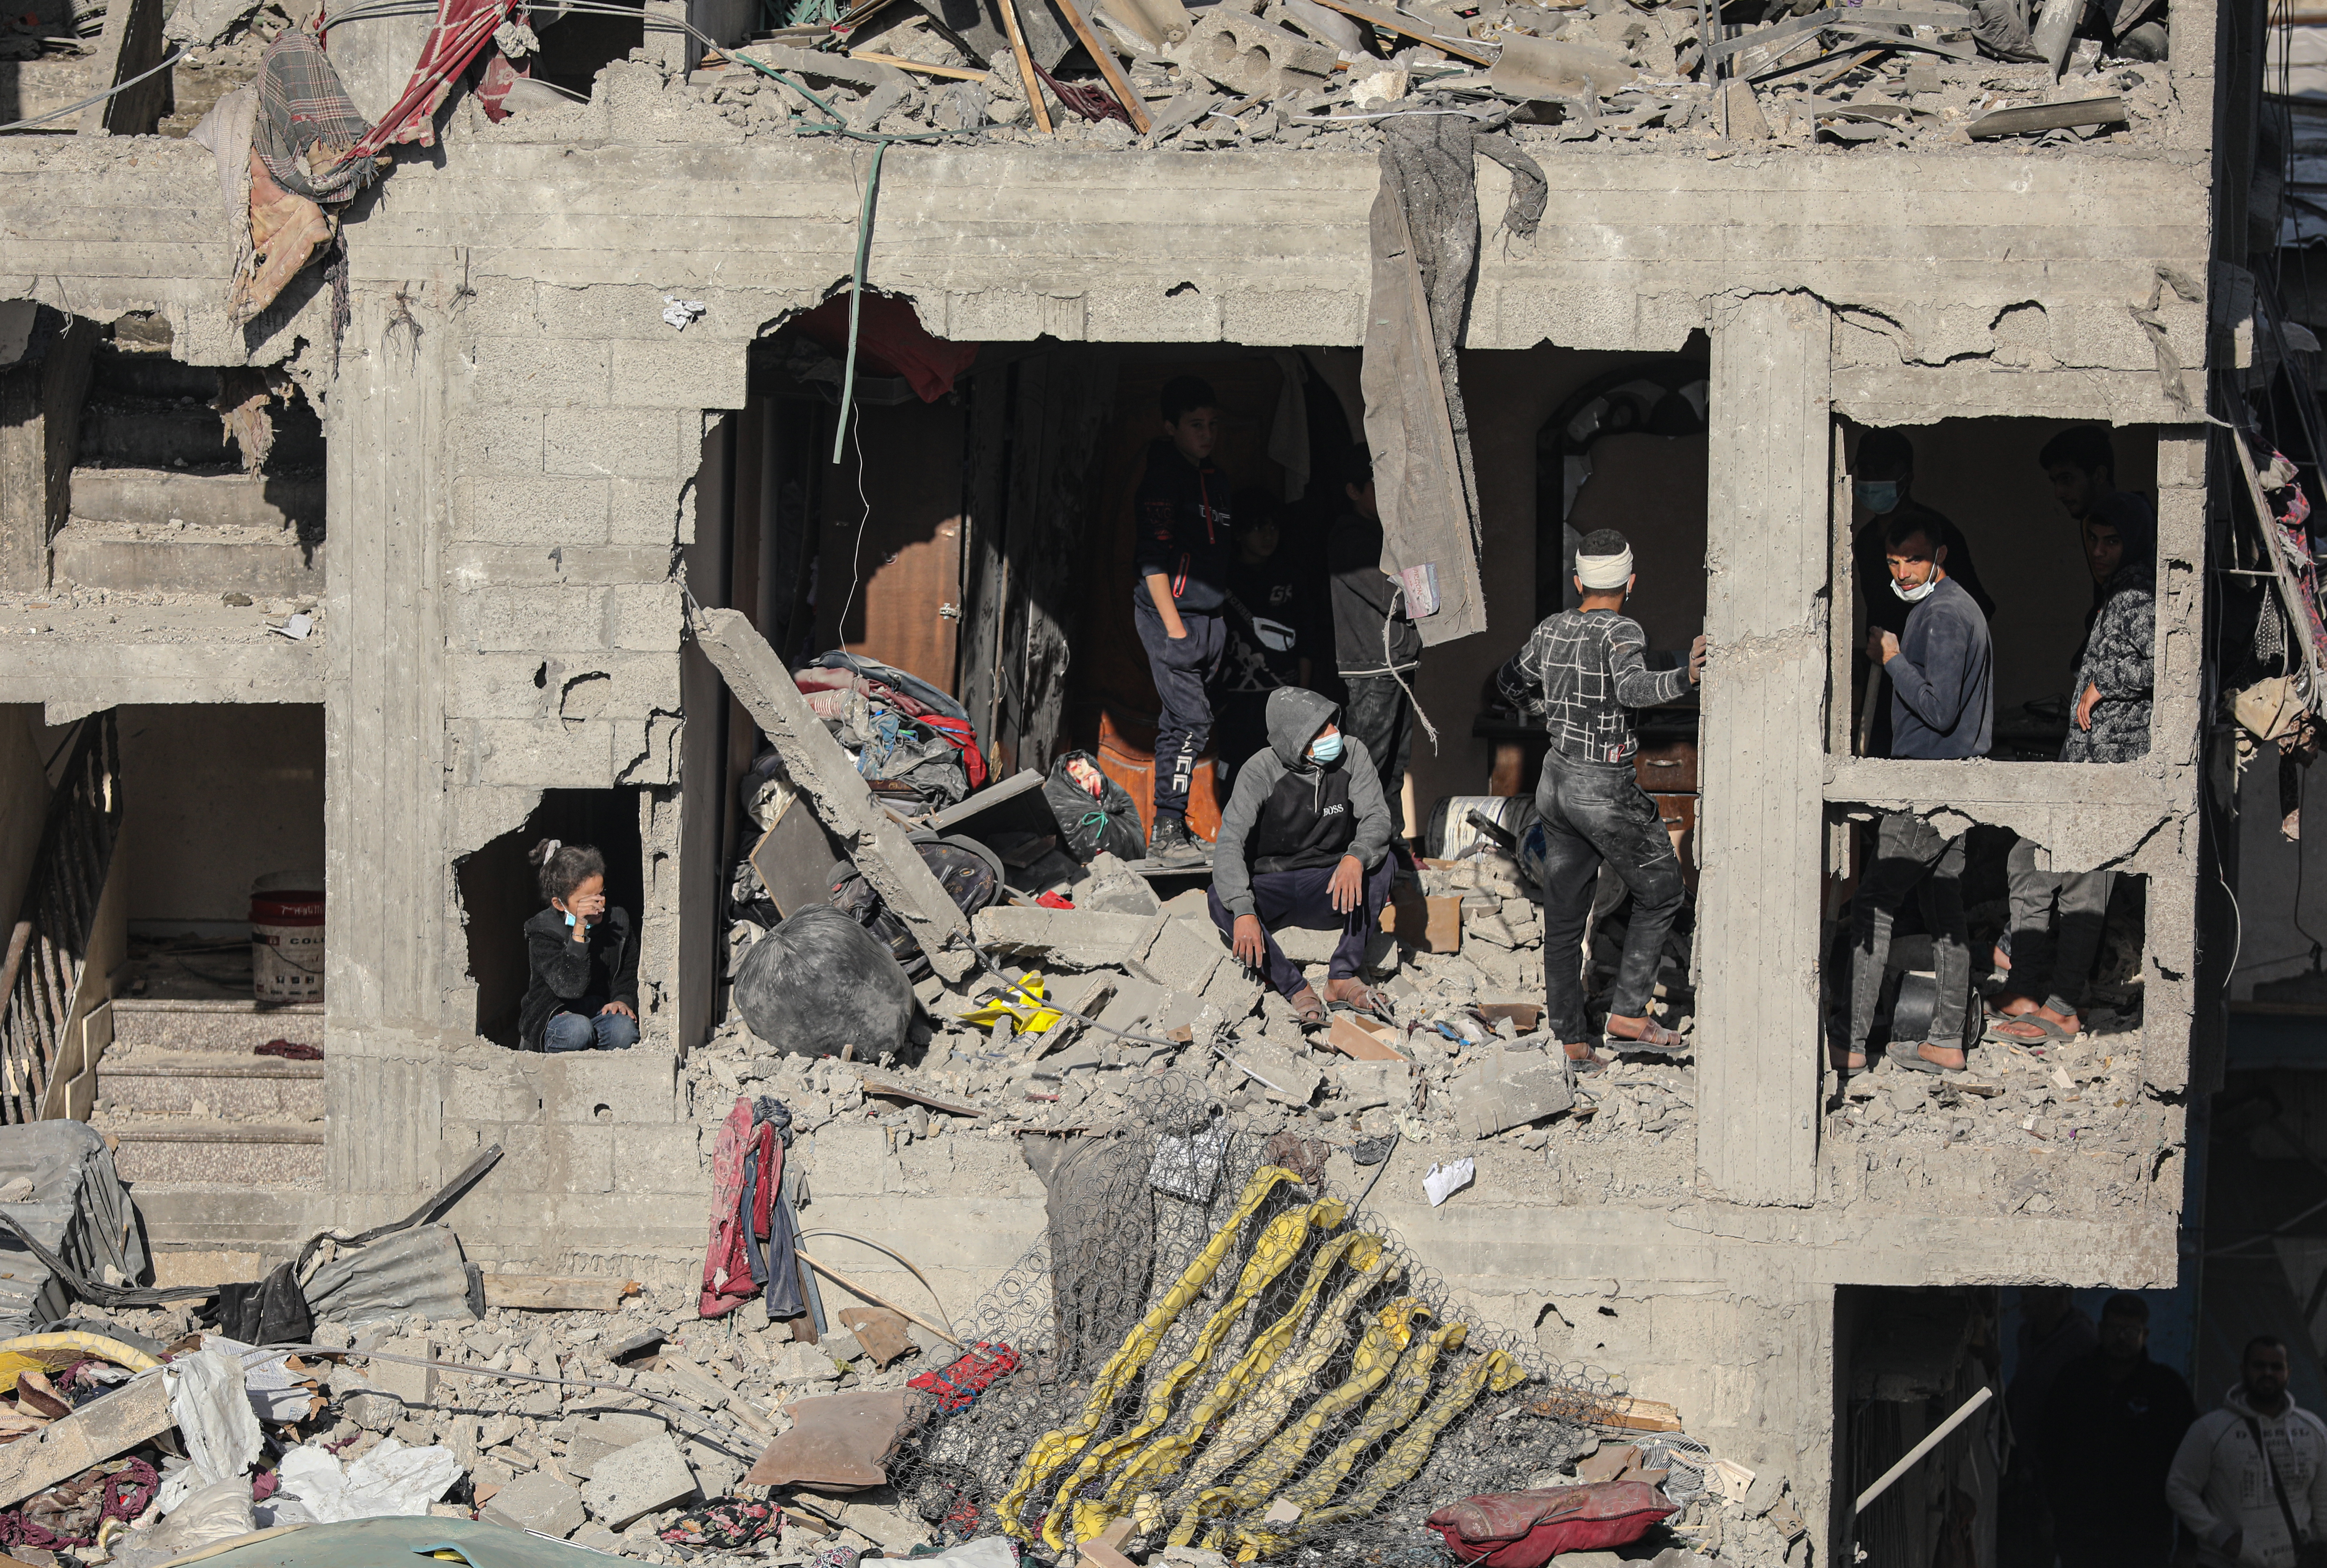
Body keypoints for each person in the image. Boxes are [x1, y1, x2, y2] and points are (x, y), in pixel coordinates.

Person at [1495, 528, 1706, 1072]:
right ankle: (1628, 1016)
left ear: (1578, 581)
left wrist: (1549, 711)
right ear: (1630, 583)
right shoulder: (1623, 631)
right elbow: (1634, 690)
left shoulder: (1551, 629)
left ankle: (1571, 1039)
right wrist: (1687, 675)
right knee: (1661, 893)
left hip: (1556, 784)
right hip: (1603, 787)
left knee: (1565, 916)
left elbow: (1509, 683)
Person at [1992, 492, 2157, 1047]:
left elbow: (2167, 663)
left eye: (2112, 541)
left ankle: (2062, 1006)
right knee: (2027, 859)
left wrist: (2107, 682)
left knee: (2086, 884)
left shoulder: (2141, 593)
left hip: (2111, 768)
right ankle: (2026, 988)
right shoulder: (2114, 594)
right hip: (2084, 763)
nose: (2100, 551)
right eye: (2093, 540)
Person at [1842, 512, 1994, 1078]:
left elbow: (1939, 708)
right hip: (1952, 784)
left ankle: (1853, 1044)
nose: (1904, 573)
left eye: (1915, 560)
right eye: (1894, 563)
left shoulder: (1946, 616)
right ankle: (1947, 1039)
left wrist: (1892, 658)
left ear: (1941, 557)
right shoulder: (1939, 609)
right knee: (1942, 908)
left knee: (1873, 905)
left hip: (1930, 786)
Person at [1208, 687, 1398, 1029]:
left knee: (1384, 863)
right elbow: (1230, 843)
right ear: (1294, 742)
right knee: (1220, 900)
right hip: (1273, 884)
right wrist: (1244, 908)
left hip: (1330, 884)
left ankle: (1342, 975)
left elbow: (1378, 818)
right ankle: (1295, 987)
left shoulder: (1353, 754)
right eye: (1319, 731)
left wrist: (1355, 857)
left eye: (1330, 723)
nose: (1332, 734)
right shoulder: (1259, 771)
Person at [1133, 375, 1235, 868]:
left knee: (1184, 722)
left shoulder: (1214, 477)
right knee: (1192, 721)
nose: (1206, 434)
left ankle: (1170, 831)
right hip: (1172, 618)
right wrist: (1174, 628)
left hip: (1210, 619)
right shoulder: (1163, 478)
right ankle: (1168, 829)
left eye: (1213, 424)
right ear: (1170, 427)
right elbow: (1151, 561)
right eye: (1195, 425)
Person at [1851, 430, 1994, 757]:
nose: (1902, 574)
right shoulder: (1867, 540)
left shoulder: (1944, 601)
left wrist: (1905, 659)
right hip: (1890, 682)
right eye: (1867, 472)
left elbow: (1968, 620)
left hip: (1927, 690)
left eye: (1914, 560)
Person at [2038, 1293, 2197, 1568]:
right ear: (2101, 1330)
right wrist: (2048, 1512)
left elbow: (2191, 1468)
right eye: (2114, 1329)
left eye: (2131, 1331)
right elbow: (2049, 1451)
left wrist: (2188, 1543)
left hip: (2145, 1540)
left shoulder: (2167, 1390)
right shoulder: (2074, 1381)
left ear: (2145, 1334)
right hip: (2080, 1536)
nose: (2121, 1338)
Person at [1328, 445, 1422, 848]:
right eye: (1377, 486)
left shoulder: (1385, 536)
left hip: (1399, 664)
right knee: (1365, 768)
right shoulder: (1351, 539)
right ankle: (1356, 851)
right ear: (1353, 490)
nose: (1388, 495)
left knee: (1394, 768)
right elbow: (1402, 600)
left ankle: (1392, 846)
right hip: (1370, 669)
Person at [2169, 1336, 2327, 1568]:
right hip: (2224, 1562)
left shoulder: (2313, 1428)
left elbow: (2324, 1499)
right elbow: (2179, 1488)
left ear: (2288, 1373)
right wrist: (2222, 1537)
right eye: (2259, 1366)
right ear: (2244, 1370)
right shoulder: (2211, 1429)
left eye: (2276, 1367)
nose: (2268, 1373)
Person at [1217, 490, 1316, 772]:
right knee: (1236, 776)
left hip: (1282, 696)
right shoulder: (1225, 576)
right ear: (1239, 534)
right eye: (1259, 528)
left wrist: (1302, 695)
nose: (1268, 536)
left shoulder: (1290, 576)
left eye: (1273, 528)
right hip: (1236, 700)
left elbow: (1306, 636)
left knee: (1282, 776)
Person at [2002, 1287, 2101, 1568]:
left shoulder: (2081, 1342)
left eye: (2033, 1292)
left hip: (2057, 1465)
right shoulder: (2027, 1335)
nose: (2024, 1297)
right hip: (2023, 1459)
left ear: (2058, 1296)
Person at [520, 839, 640, 1053]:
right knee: (578, 1030)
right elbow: (569, 987)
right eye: (587, 900)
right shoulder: (543, 930)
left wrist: (622, 1001)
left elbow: (628, 973)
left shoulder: (618, 921)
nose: (599, 905)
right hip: (555, 1014)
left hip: (597, 1009)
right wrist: (579, 932)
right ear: (559, 904)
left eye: (601, 894)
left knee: (623, 1031)